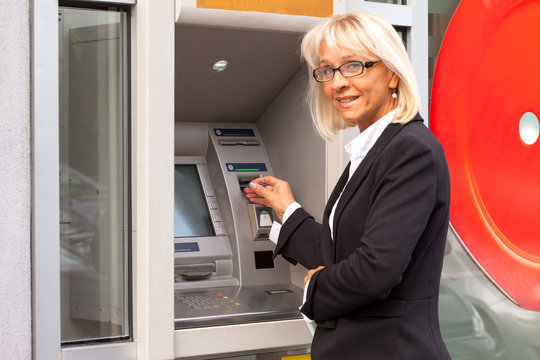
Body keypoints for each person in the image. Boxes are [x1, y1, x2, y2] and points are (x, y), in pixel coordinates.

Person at [244, 11, 451, 360]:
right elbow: (341, 254)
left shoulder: (410, 149)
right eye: (328, 70)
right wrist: (287, 210)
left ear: (392, 74)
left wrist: (313, 287)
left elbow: (375, 269)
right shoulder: (373, 150)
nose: (337, 83)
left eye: (354, 65)